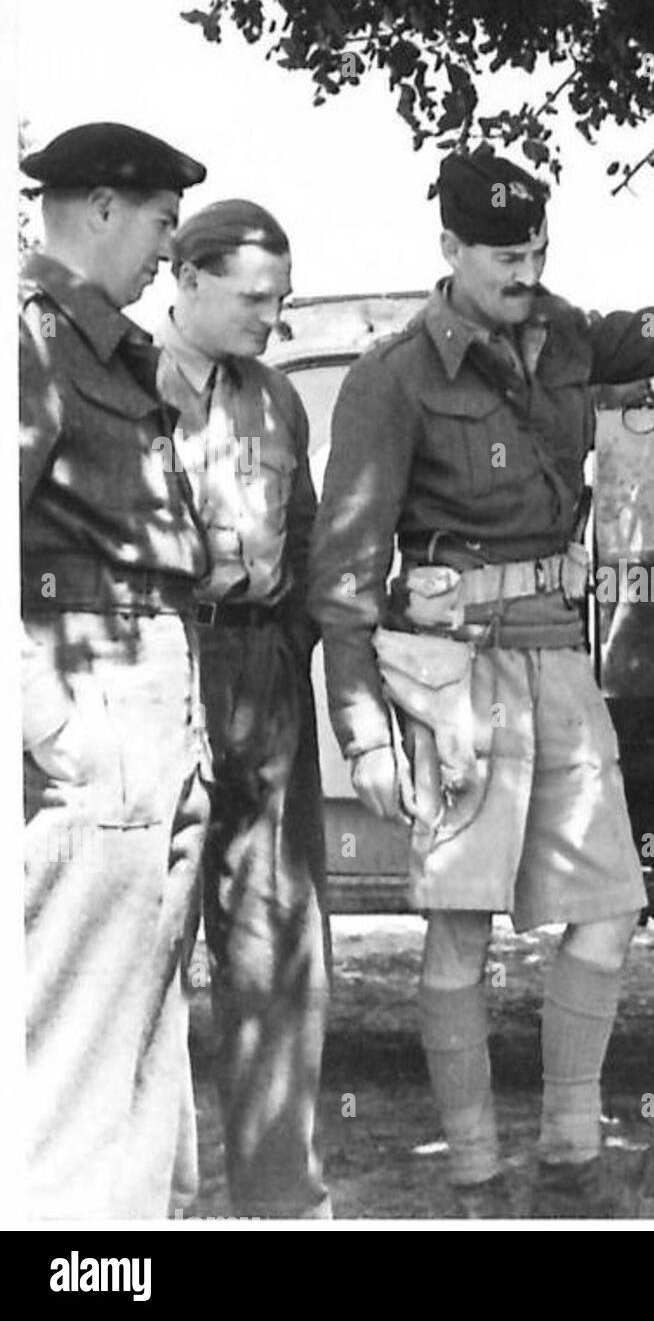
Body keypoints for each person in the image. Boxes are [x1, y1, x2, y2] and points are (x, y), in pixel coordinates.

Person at [309, 145, 654, 1216]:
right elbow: (343, 581)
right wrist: (365, 729)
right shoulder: (392, 381)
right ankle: (475, 1171)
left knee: (610, 908)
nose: (527, 271)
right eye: (505, 255)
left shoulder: (566, 338)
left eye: (538, 250)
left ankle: (572, 1154)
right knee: (460, 932)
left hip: (562, 666)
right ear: (451, 249)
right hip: (454, 681)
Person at [19, 121, 211, 1217]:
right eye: (158, 224)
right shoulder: (33, 338)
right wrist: (58, 732)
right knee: (71, 1065)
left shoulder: (99, 343)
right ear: (99, 208)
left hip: (149, 691)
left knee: (143, 1043)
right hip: (91, 697)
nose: (165, 251)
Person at [157, 200, 332, 1218]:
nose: (273, 317)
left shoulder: (277, 400)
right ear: (185, 276)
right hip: (162, 661)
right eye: (254, 297)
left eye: (282, 298)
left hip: (260, 671)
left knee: (276, 940)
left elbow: (304, 536)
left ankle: (278, 1197)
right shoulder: (116, 385)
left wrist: (290, 645)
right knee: (150, 943)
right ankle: (157, 1197)